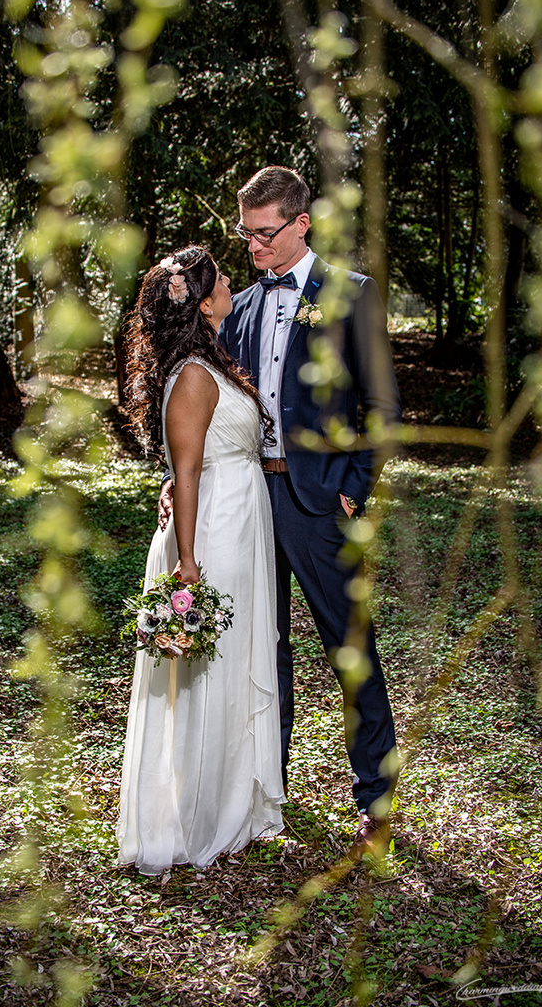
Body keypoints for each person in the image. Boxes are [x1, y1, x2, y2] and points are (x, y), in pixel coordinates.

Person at [160, 167, 401, 855]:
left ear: (302, 223)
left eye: (266, 234)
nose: (254, 248)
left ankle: (375, 800)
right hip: (245, 500)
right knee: (261, 651)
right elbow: (201, 402)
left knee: (350, 647)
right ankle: (268, 790)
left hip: (322, 502)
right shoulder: (236, 306)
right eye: (246, 234)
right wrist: (181, 480)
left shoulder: (352, 295)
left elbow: (382, 408)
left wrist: (356, 486)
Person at [117, 244, 285, 875]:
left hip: (240, 519)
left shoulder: (207, 360)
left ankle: (234, 802)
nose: (232, 286)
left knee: (235, 659)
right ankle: (199, 815)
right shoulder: (191, 373)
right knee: (209, 671)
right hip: (213, 530)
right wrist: (187, 560)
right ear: (202, 299)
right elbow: (185, 472)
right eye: (222, 280)